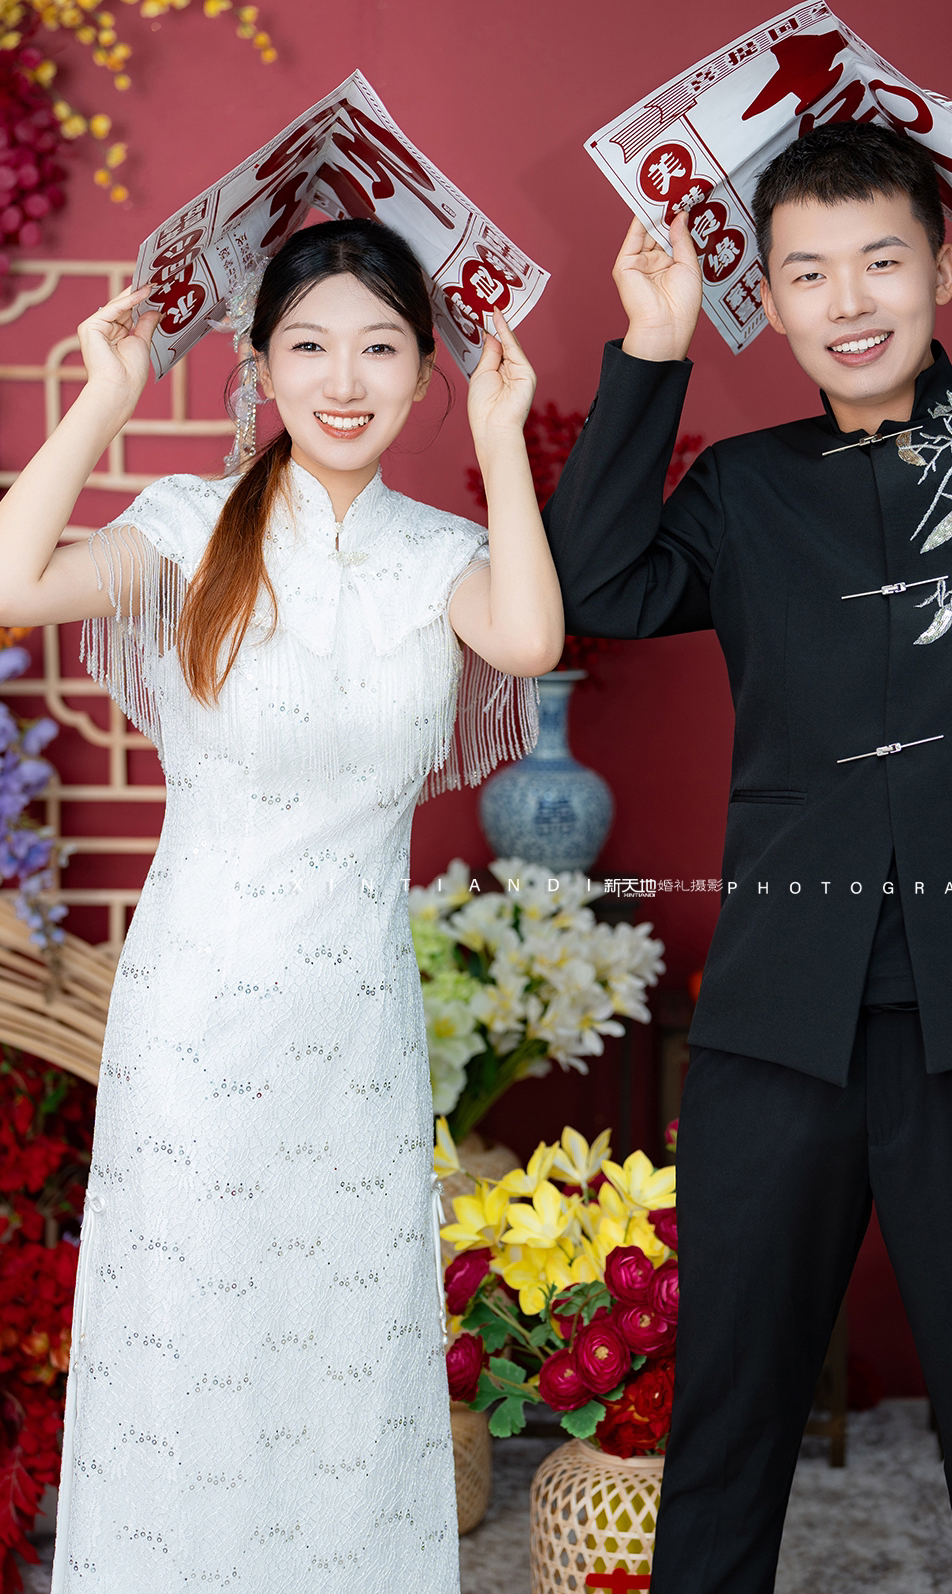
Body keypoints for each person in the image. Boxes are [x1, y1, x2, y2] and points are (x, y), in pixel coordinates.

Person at [543, 105, 952, 1593]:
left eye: (882, 261)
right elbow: (592, 586)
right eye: (808, 272)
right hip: (784, 1012)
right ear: (767, 302)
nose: (850, 301)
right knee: (726, 1412)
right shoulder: (744, 490)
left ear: (945, 273)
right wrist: (652, 348)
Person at [0, 216, 562, 1592]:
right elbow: (9, 584)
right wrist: (104, 400)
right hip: (196, 1019)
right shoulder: (190, 528)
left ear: (426, 369)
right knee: (189, 1341)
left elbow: (533, 638)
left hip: (353, 1022)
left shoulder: (441, 553)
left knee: (343, 1350)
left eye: (380, 348)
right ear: (258, 367)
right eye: (308, 346)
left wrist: (502, 440)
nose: (343, 380)